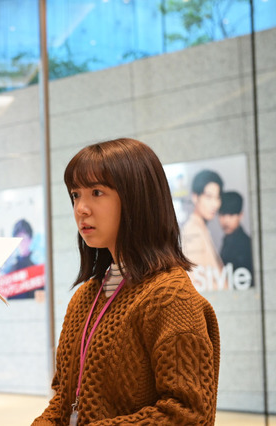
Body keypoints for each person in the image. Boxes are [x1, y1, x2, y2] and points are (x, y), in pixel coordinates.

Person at [32, 138, 220, 425]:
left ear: (136, 198)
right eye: (75, 195)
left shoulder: (170, 298)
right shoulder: (85, 297)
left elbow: (187, 414)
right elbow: (63, 399)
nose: (81, 208)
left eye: (96, 192)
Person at [180, 169, 226, 290]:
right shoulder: (192, 232)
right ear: (195, 197)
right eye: (209, 197)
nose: (215, 204)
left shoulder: (201, 228)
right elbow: (195, 282)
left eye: (217, 197)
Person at [219, 190, 253, 277]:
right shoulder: (227, 240)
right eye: (222, 214)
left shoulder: (246, 244)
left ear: (240, 215)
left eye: (231, 215)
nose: (226, 221)